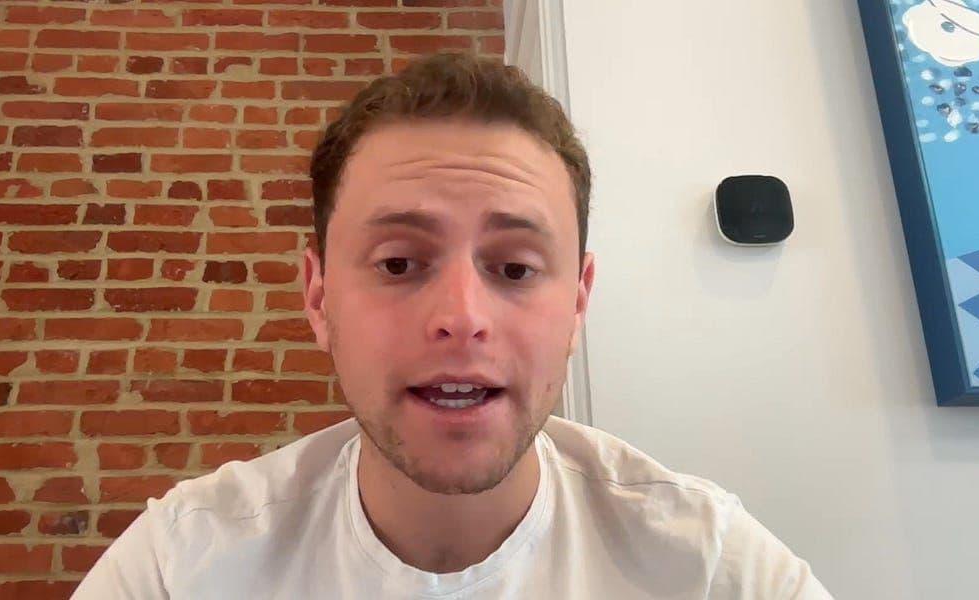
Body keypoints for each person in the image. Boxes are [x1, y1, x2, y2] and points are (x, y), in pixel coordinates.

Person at [72, 53, 832, 599]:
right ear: (317, 297)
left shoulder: (713, 570)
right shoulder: (180, 566)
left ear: (577, 304)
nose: (461, 320)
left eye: (515, 268)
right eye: (399, 264)